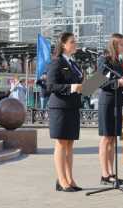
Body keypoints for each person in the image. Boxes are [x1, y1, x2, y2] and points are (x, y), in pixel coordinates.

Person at [47, 32, 83, 192]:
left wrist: (85, 87)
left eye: (75, 41)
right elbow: (50, 86)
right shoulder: (57, 61)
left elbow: (78, 83)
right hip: (60, 108)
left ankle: (69, 178)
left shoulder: (73, 63)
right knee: (61, 143)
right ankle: (61, 180)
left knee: (70, 144)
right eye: (72, 42)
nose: (75, 44)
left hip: (72, 107)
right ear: (63, 45)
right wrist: (70, 87)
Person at [97, 33, 123, 185]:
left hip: (118, 101)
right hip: (107, 102)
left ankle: (111, 173)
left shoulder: (119, 62)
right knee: (106, 138)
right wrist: (119, 83)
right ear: (114, 45)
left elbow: (119, 80)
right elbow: (100, 82)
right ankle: (104, 174)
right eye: (122, 45)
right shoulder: (104, 60)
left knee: (113, 139)